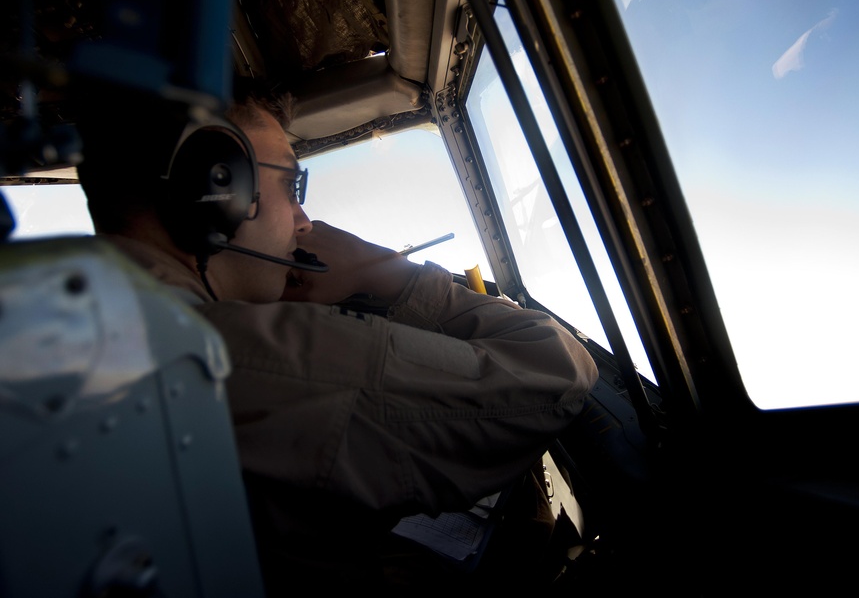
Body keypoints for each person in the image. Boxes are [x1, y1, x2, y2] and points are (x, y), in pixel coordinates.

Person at [75, 86, 599, 591]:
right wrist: (388, 276)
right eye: (290, 187)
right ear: (214, 188)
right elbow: (559, 373)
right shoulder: (249, 356)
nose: (304, 222)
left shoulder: (87, 323)